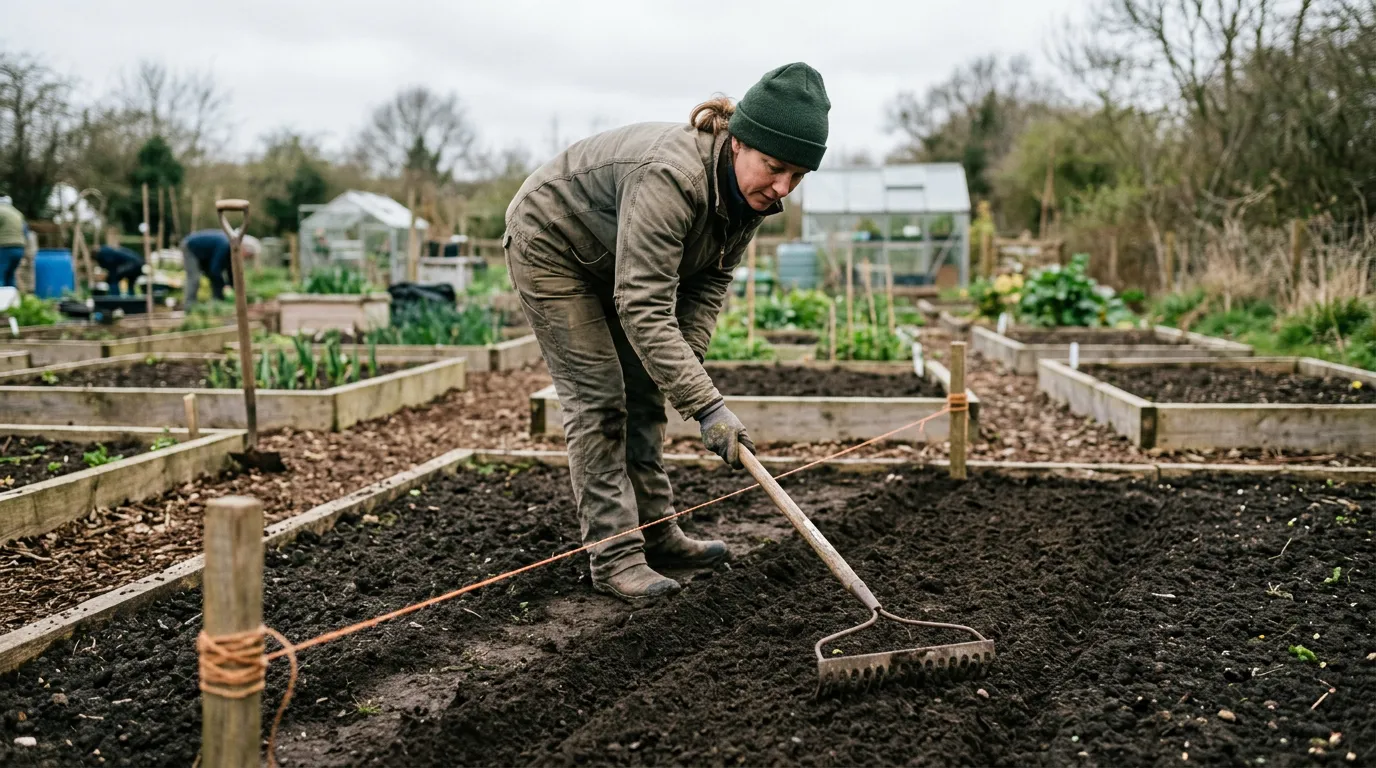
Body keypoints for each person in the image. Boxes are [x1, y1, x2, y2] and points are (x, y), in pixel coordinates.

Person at [504, 63, 829, 602]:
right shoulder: (673, 177)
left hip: (616, 259)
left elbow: (708, 284)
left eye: (797, 177)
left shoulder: (752, 198)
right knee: (600, 402)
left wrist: (682, 372)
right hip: (554, 247)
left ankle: (657, 535)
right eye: (774, 168)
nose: (782, 188)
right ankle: (615, 557)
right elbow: (642, 302)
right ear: (739, 142)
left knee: (645, 394)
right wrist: (707, 405)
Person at [180, 229, 260, 306]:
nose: (246, 259)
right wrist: (224, 285)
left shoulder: (231, 249)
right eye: (248, 256)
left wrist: (235, 288)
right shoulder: (225, 245)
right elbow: (215, 269)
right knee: (194, 277)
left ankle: (216, 301)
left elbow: (230, 271)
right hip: (190, 247)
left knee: (213, 277)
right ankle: (189, 305)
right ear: (243, 248)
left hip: (204, 254)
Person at [0, 196, 28, 289]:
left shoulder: (1, 211)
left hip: (4, 247)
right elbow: (25, 231)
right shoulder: (18, 213)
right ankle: (11, 301)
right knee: (10, 275)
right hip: (19, 247)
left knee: (1, 274)